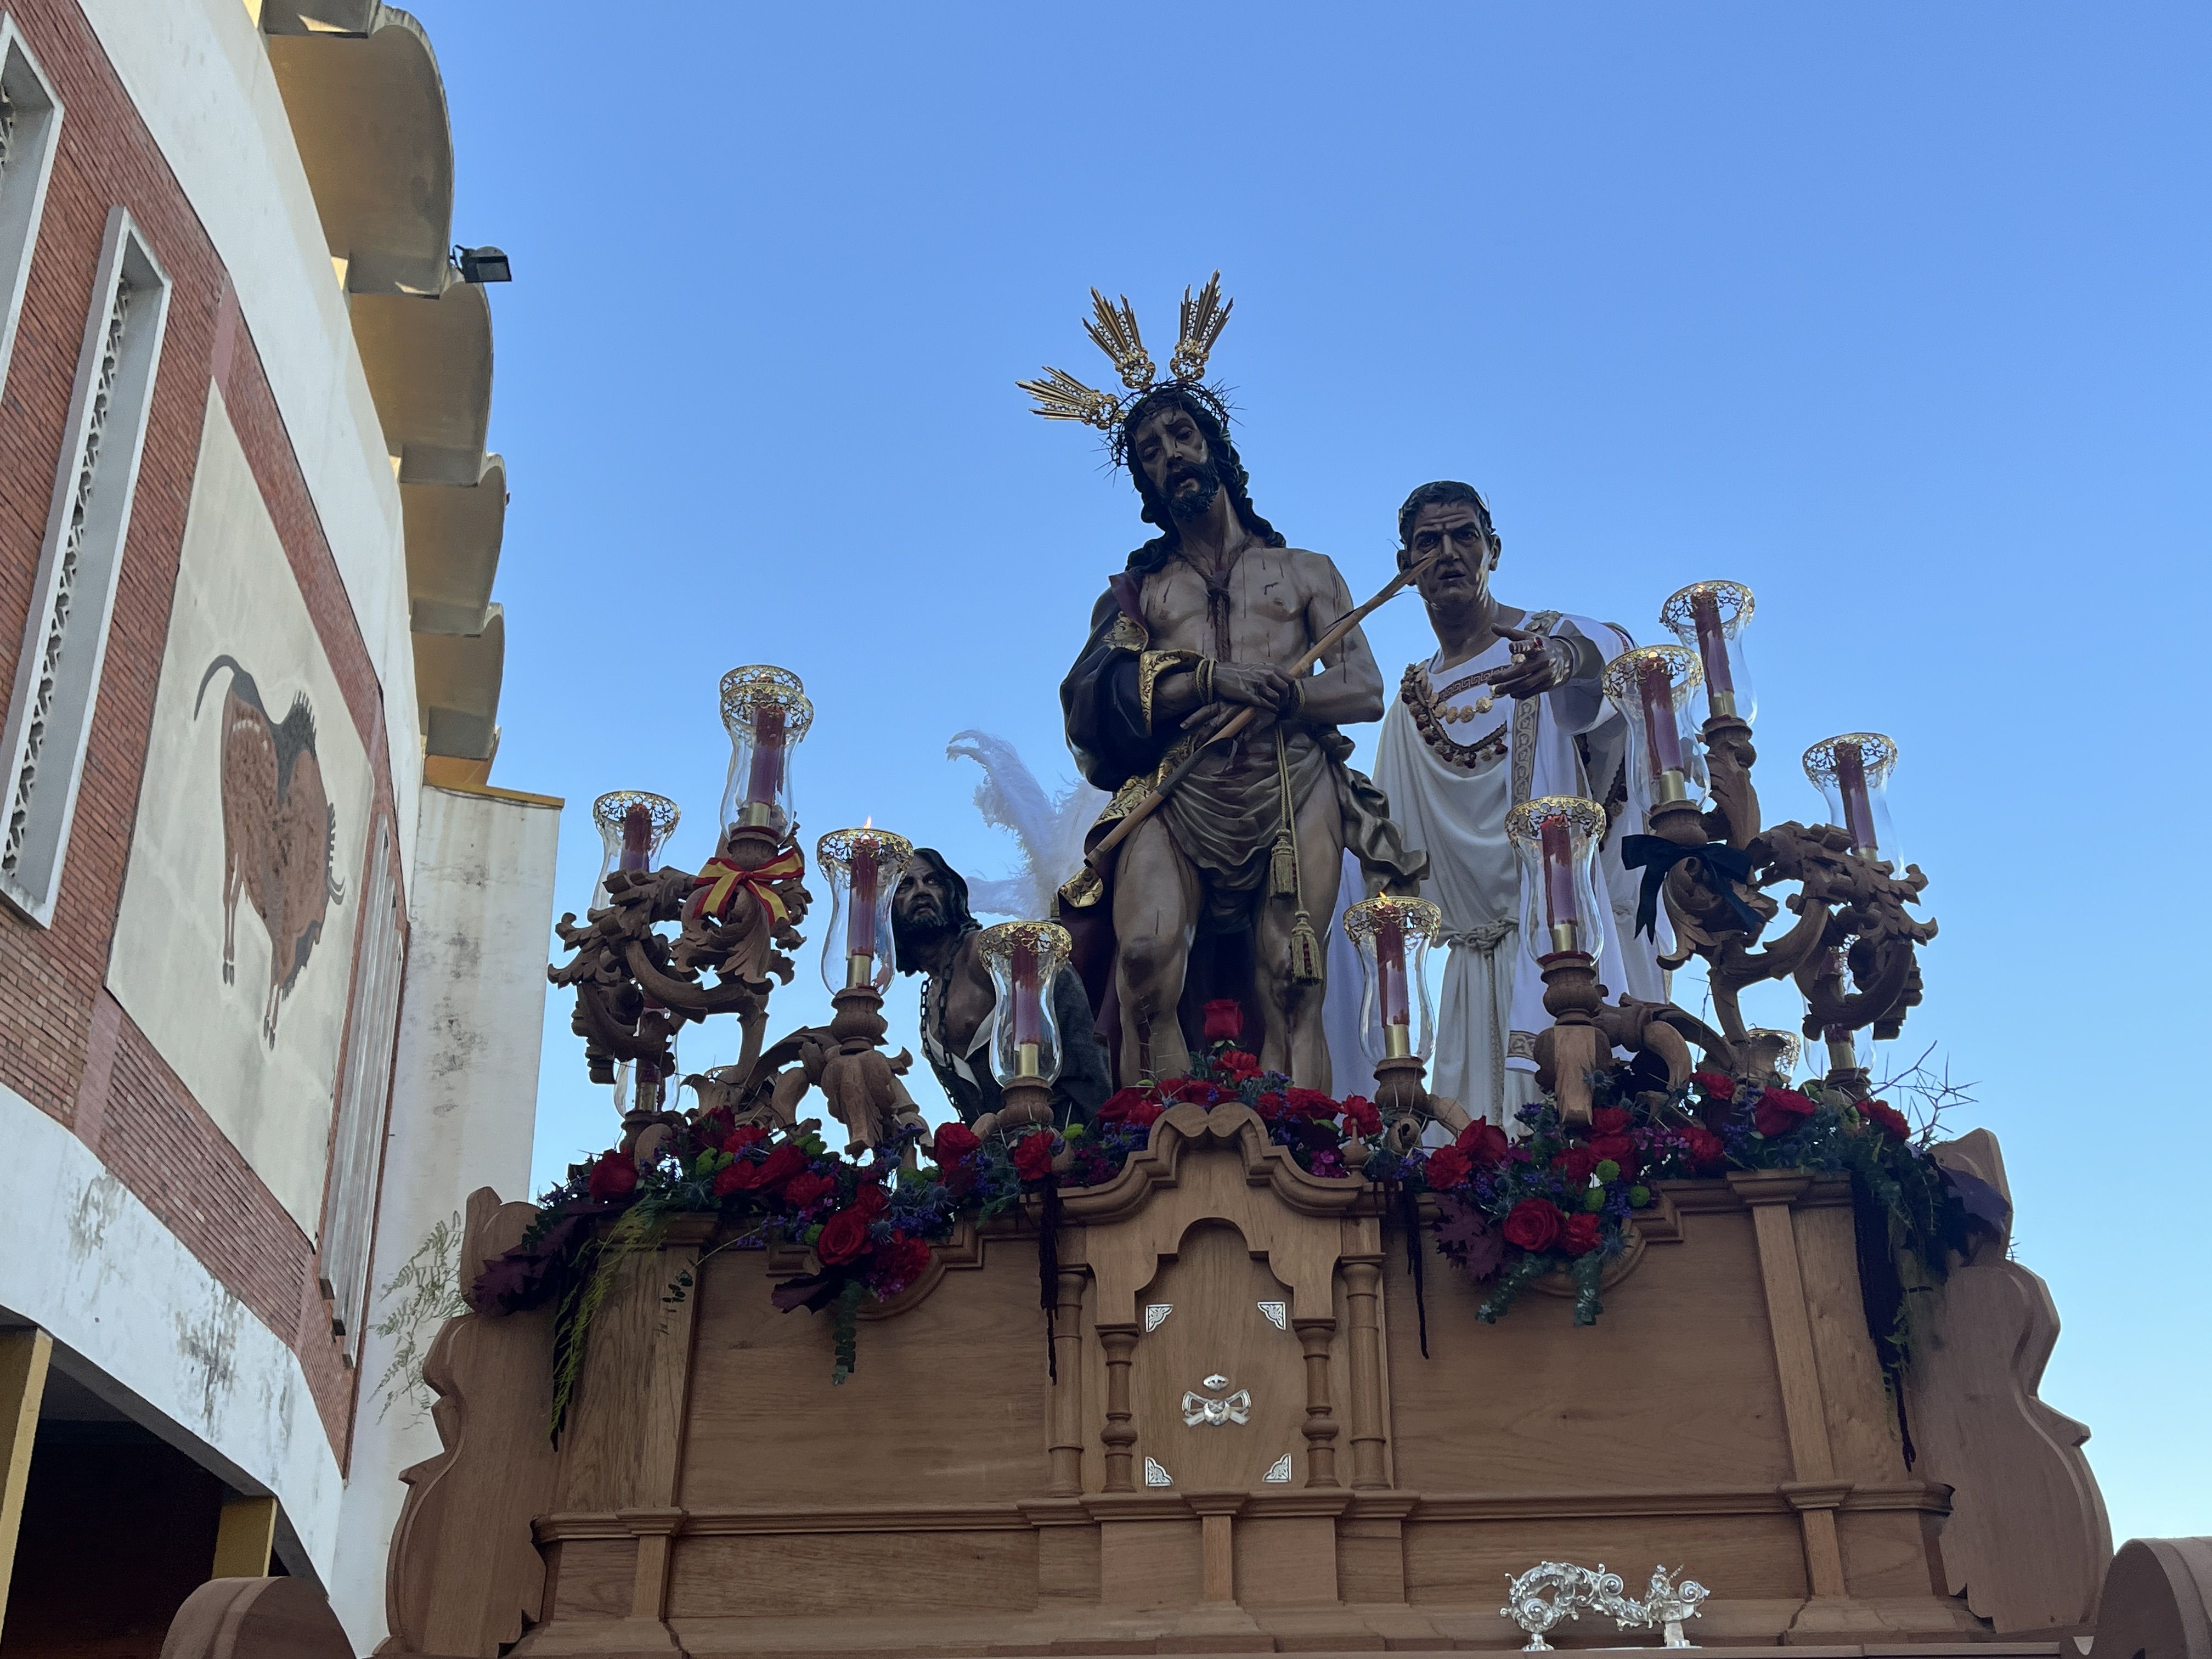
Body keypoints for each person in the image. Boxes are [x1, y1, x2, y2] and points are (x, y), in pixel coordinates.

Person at [1052, 377, 1424, 1088]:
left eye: (1183, 436)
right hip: (1182, 785)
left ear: (1215, 446)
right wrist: (1212, 679)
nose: (1172, 457)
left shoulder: (1305, 571)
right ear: (1145, 482)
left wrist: (1288, 697)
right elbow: (1093, 696)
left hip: (1292, 781)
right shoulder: (1140, 592)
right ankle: (1150, 1157)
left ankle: (1296, 1153)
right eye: (1150, 452)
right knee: (1144, 958)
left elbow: (1365, 690)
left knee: (1291, 976)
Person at [1369, 481, 1666, 1127]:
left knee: (1579, 1133)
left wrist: (1562, 662)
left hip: (1562, 947)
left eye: (1464, 536)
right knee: (1471, 1155)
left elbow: (1617, 657)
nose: (1448, 553)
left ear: (1493, 550)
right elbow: (1387, 851)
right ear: (1405, 569)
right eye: (1428, 543)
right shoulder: (1408, 706)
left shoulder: (1541, 642)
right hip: (1469, 974)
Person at [890, 848, 1109, 1128]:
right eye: (905, 885)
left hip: (1070, 1136)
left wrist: (1098, 1124)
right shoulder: (930, 1002)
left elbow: (1073, 1020)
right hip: (1004, 1158)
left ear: (951, 894)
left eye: (933, 881)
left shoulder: (994, 955)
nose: (921, 891)